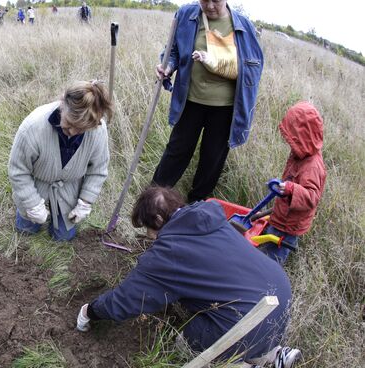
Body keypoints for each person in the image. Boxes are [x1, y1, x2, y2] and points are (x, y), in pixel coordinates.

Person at [76, 186, 301, 367]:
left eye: (148, 231)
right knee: (246, 326)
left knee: (185, 342)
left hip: (246, 318)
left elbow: (128, 299)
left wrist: (91, 311)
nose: (151, 238)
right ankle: (274, 355)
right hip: (280, 299)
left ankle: (240, 364)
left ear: (156, 220)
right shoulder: (212, 218)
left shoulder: (169, 253)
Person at [152, 0, 263, 203]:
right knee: (176, 152)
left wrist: (223, 65)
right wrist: (167, 66)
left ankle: (195, 205)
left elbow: (253, 69)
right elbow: (174, 50)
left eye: (216, 1)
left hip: (225, 109)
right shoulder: (185, 15)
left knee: (212, 161)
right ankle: (154, 200)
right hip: (191, 101)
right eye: (205, 0)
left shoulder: (245, 27)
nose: (210, 6)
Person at [8, 80, 112, 241]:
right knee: (26, 231)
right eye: (69, 124)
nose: (72, 133)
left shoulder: (97, 130)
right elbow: (18, 170)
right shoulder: (33, 127)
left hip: (68, 186)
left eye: (80, 129)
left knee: (63, 238)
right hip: (38, 182)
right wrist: (32, 203)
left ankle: (60, 213)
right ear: (62, 104)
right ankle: (29, 212)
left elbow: (98, 170)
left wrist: (85, 201)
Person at [261, 102, 326, 264]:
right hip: (281, 215)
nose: (289, 144)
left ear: (303, 137)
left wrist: (291, 188)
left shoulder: (312, 166)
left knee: (273, 260)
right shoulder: (300, 154)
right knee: (267, 247)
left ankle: (270, 285)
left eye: (292, 140)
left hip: (288, 226)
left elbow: (311, 197)